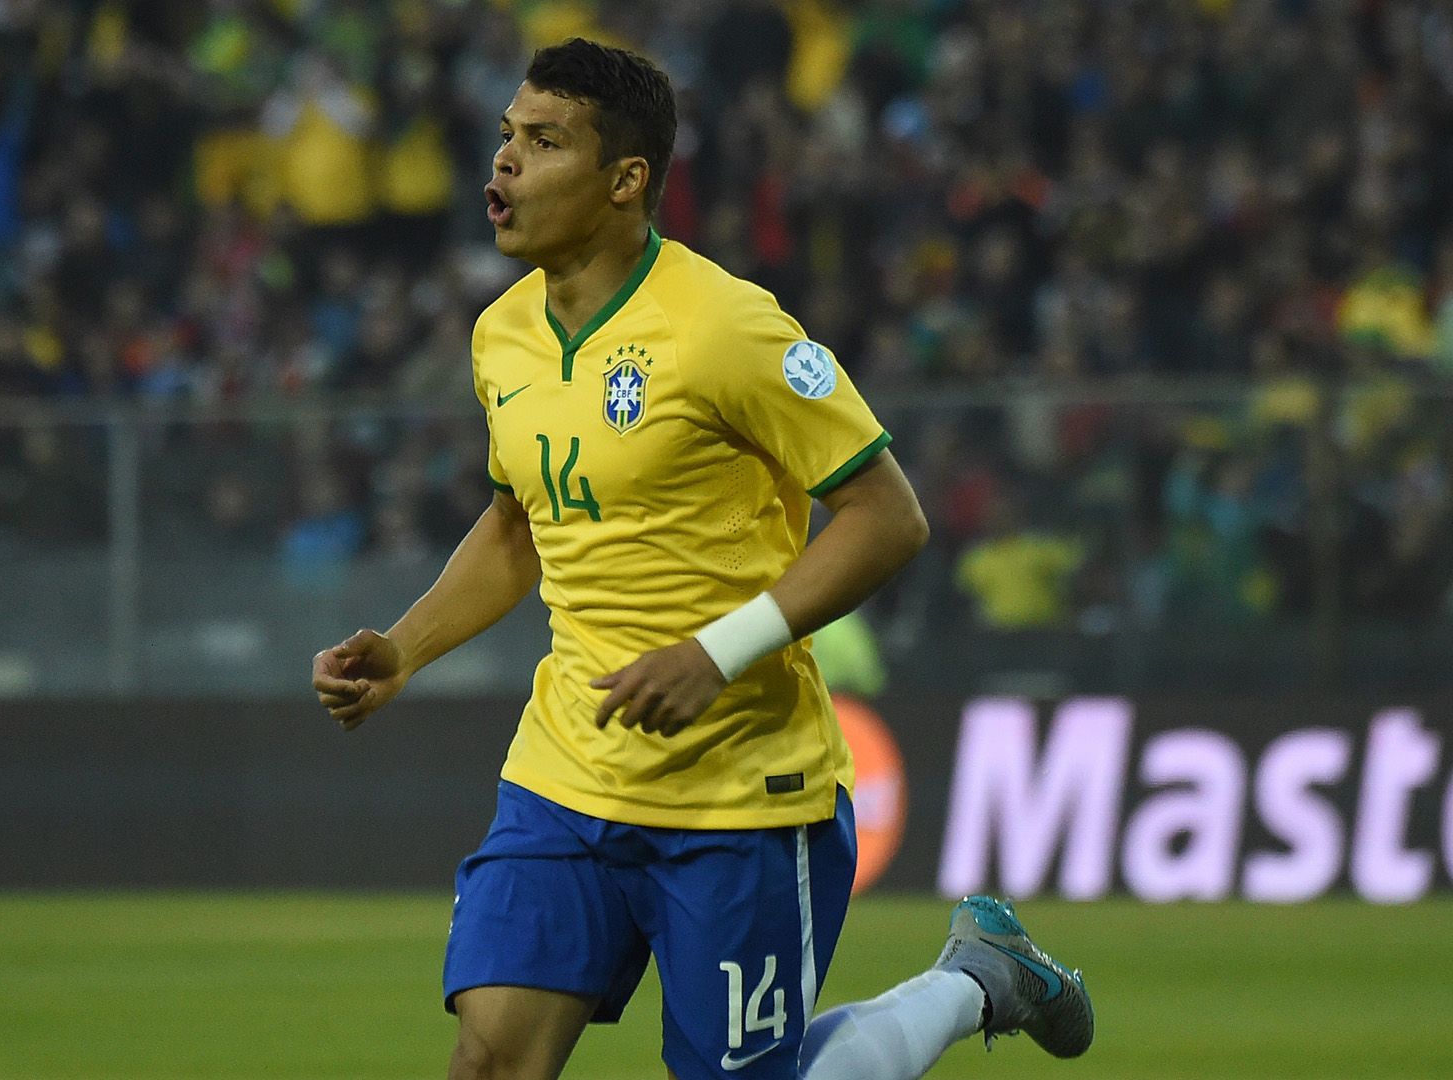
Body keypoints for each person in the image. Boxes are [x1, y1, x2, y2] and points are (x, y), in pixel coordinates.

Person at [310, 39, 1093, 1080]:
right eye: (506, 136)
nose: (503, 163)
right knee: (489, 1065)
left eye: (543, 144)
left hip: (741, 797)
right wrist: (405, 650)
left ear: (626, 180)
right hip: (567, 774)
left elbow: (886, 516)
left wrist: (717, 652)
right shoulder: (502, 335)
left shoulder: (726, 328)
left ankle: (975, 979)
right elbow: (514, 529)